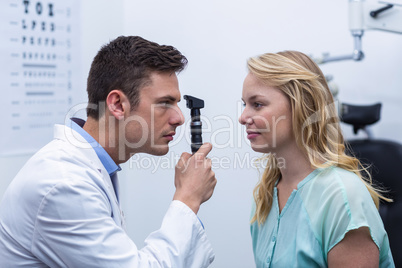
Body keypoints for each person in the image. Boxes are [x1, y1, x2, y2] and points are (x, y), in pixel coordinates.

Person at [0, 36, 217, 267]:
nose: (179, 118)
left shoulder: (94, 168)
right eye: (165, 103)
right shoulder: (63, 185)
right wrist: (187, 198)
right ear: (117, 105)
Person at [238, 50, 395, 267]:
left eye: (257, 104)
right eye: (244, 104)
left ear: (300, 106)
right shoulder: (265, 196)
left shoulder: (342, 198)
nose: (242, 117)